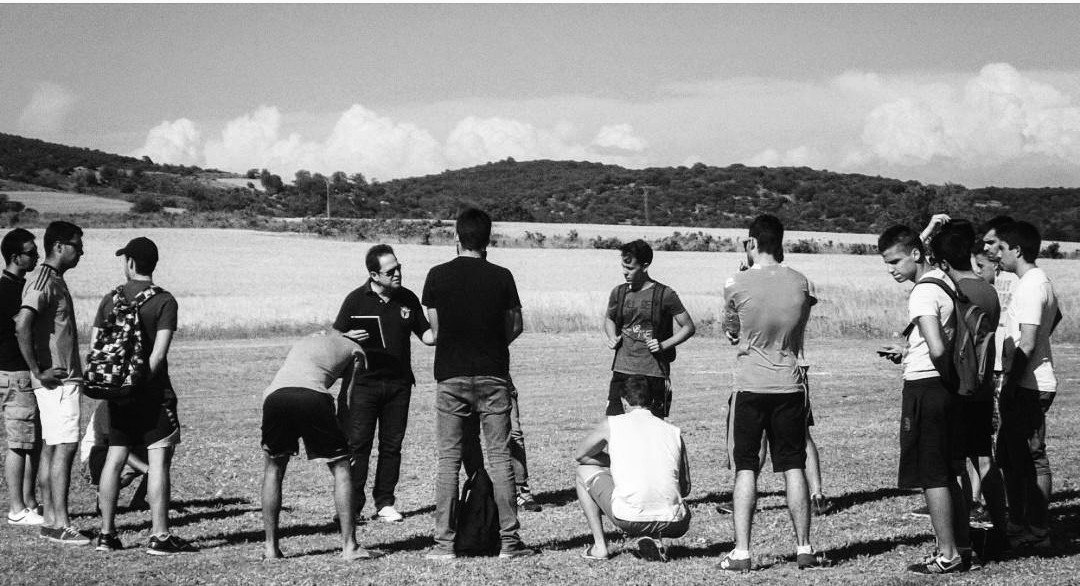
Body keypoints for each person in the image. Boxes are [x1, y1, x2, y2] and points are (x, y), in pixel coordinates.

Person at [421, 207, 534, 559]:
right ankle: (509, 543)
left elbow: (436, 330)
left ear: (457, 238)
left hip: (451, 376)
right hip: (493, 374)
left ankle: (444, 545)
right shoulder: (502, 276)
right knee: (500, 457)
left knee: (448, 461)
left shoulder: (437, 276)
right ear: (488, 240)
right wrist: (493, 344)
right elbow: (515, 324)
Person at [719, 215, 827, 572]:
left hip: (749, 385)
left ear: (751, 242)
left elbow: (731, 331)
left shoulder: (735, 282)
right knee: (793, 464)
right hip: (790, 383)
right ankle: (804, 546)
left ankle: (743, 551)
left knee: (746, 468)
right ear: (781, 241)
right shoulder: (801, 282)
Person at [93, 237, 195, 554]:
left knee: (114, 458)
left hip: (117, 395)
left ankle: (107, 535)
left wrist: (119, 386)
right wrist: (140, 383)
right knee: (159, 462)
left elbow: (96, 348)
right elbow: (159, 355)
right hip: (153, 393)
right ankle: (160, 536)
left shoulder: (110, 300)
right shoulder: (165, 302)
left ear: (131, 263)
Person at [878, 224, 970, 574]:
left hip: (927, 388)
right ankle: (961, 546)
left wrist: (939, 374)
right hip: (944, 389)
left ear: (916, 253)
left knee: (932, 474)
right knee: (949, 473)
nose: (892, 270)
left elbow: (936, 347)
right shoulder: (945, 282)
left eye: (896, 261)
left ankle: (947, 554)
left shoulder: (921, 292)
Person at [261, 331, 383, 561]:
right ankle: (350, 547)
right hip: (312, 397)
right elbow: (346, 398)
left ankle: (271, 548)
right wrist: (346, 438)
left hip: (274, 396)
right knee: (341, 468)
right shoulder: (356, 351)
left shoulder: (310, 337)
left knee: (273, 469)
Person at [333, 244, 434, 524]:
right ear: (374, 275)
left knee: (392, 445)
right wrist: (348, 338)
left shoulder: (408, 299)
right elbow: (335, 337)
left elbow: (426, 335)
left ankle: (385, 502)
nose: (398, 274)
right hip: (364, 384)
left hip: (399, 384)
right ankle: (351, 506)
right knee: (359, 445)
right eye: (391, 271)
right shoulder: (356, 299)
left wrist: (449, 328)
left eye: (399, 267)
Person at [929, 223, 1009, 557]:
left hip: (960, 387)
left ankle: (962, 536)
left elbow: (950, 344)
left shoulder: (956, 293)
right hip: (984, 384)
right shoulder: (988, 290)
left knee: (956, 465)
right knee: (984, 459)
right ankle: (1003, 529)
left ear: (943, 262)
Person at [14, 220, 88, 545]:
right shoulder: (43, 280)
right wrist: (38, 370)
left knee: (52, 446)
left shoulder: (53, 279)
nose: (81, 251)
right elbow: (22, 325)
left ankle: (50, 521)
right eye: (76, 245)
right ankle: (61, 523)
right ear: (59, 246)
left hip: (59, 379)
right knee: (65, 448)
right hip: (58, 380)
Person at [574, 375, 691, 562]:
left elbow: (582, 456)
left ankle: (599, 547)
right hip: (676, 522)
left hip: (629, 518)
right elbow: (684, 488)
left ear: (623, 401)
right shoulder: (673, 432)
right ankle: (655, 539)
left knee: (583, 472)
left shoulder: (611, 425)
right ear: (652, 401)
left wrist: (616, 461)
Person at [995, 220, 1060, 551]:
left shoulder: (1031, 285)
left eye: (1002, 248)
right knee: (1011, 454)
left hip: (1030, 384)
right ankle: (1021, 521)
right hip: (1028, 381)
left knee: (1033, 457)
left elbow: (1029, 342)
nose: (998, 255)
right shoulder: (1039, 281)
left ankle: (1038, 530)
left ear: (1017, 250)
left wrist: (1011, 380)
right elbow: (1056, 318)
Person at [603, 240, 695, 419]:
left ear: (645, 266)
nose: (625, 272)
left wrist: (663, 345)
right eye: (623, 266)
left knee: (652, 428)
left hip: (653, 373)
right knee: (615, 426)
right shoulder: (618, 292)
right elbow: (609, 319)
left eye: (630, 268)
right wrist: (612, 335)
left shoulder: (665, 294)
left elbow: (689, 327)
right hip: (622, 370)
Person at [1, 228, 43, 526]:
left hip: (18, 373)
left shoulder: (15, 287)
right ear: (16, 257)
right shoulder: (8, 290)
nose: (37, 256)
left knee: (30, 441)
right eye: (31, 252)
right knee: (18, 443)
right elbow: (21, 329)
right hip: (16, 373)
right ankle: (17, 508)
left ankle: (28, 504)